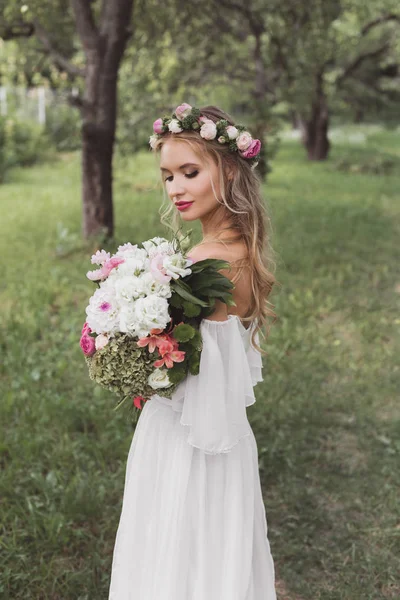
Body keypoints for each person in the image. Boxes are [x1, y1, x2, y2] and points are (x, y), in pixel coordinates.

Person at [108, 103, 278, 599]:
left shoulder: (206, 264)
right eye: (167, 176)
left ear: (226, 173)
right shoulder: (241, 252)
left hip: (184, 438)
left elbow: (179, 361)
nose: (176, 188)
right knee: (213, 550)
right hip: (225, 439)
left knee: (176, 549)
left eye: (189, 172)